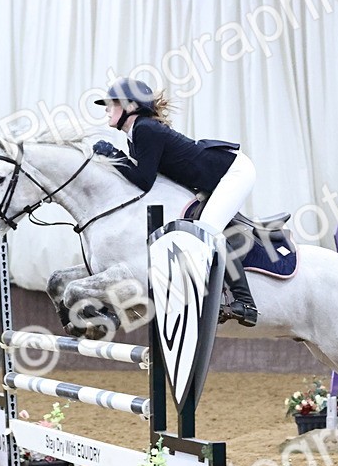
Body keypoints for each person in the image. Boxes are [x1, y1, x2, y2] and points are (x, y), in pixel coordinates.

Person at [92, 77, 258, 326]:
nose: (106, 109)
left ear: (130, 106)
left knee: (206, 232)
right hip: (212, 177)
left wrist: (114, 156)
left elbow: (143, 181)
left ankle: (246, 304)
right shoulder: (136, 134)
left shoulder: (145, 129)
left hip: (233, 171)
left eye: (112, 103)